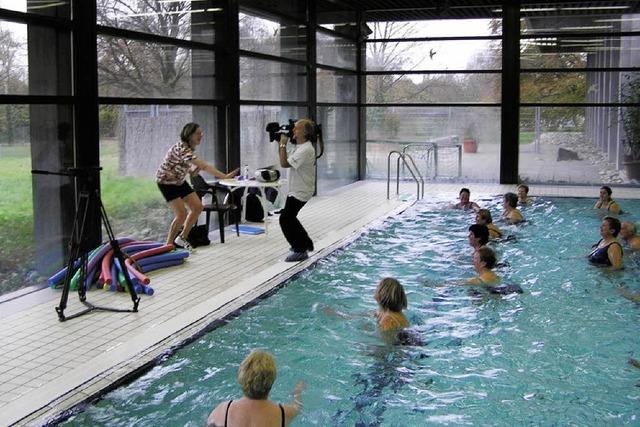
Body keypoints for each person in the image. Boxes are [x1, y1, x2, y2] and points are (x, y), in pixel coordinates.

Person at [156, 122, 238, 251]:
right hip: (166, 183)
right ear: (189, 135)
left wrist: (193, 172)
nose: (201, 136)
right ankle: (168, 246)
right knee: (181, 214)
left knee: (198, 207)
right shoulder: (182, 149)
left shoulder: (187, 149)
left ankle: (181, 238)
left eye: (201, 133)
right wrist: (225, 176)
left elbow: (181, 166)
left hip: (178, 182)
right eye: (198, 133)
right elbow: (205, 166)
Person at [207, 349, 304, 427]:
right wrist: (297, 393)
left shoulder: (224, 410)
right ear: (271, 381)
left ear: (242, 377)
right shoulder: (282, 413)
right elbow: (297, 408)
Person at [277, 119, 317, 262]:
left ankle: (300, 249)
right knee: (290, 218)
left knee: (285, 218)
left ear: (305, 133)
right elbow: (284, 157)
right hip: (296, 188)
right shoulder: (300, 146)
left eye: (297, 129)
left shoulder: (306, 149)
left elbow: (284, 163)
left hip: (301, 190)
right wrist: (280, 144)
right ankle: (305, 243)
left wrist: (282, 143)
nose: (293, 130)